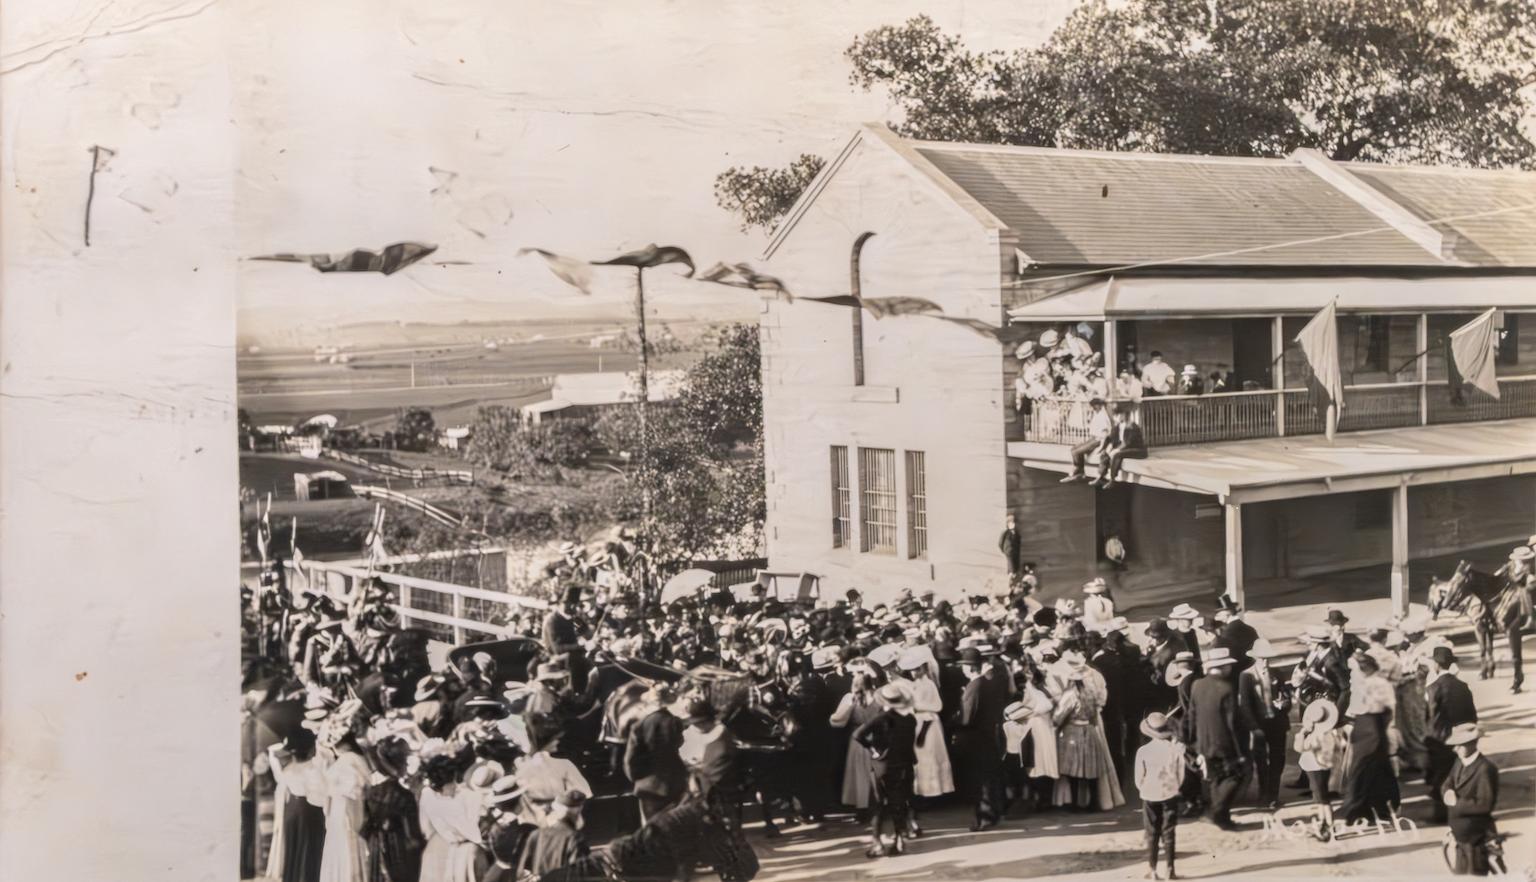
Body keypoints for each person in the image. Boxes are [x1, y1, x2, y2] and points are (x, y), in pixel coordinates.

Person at [853, 682, 919, 858]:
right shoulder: (910, 720)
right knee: (899, 803)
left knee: (879, 805)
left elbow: (858, 735)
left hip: (884, 765)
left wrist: (873, 749)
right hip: (905, 764)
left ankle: (877, 843)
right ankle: (899, 839)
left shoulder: (881, 718)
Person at [1184, 647, 1247, 830]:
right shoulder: (1227, 688)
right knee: (1235, 777)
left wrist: (1192, 740)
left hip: (1203, 742)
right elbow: (1232, 723)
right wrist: (1241, 750)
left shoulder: (1197, 685)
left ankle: (1223, 817)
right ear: (1224, 667)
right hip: (1225, 743)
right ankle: (1218, 812)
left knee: (1215, 778)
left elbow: (1192, 714)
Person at [1338, 651, 1400, 825]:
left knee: (1364, 769)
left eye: (1354, 669)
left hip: (1372, 729)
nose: (1351, 673)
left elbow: (1384, 710)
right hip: (1365, 728)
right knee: (1371, 769)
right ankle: (1373, 808)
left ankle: (1358, 809)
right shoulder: (1363, 683)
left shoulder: (1377, 684)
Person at [953, 646, 1010, 829]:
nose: (962, 668)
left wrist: (952, 721)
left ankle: (983, 818)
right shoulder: (987, 683)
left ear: (970, 668)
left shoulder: (974, 686)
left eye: (963, 665)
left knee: (979, 781)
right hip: (987, 735)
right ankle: (992, 815)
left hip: (975, 738)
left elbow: (967, 718)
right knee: (988, 778)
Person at [1425, 646, 1478, 824]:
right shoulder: (1463, 686)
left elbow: (1430, 715)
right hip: (1463, 735)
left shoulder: (1433, 688)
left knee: (1440, 776)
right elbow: (1472, 714)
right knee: (1460, 773)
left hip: (1440, 738)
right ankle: (1463, 809)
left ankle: (1441, 814)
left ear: (1437, 665)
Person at [1441, 724, 1501, 876]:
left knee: (1476, 874)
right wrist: (1447, 791)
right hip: (1460, 835)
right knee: (1461, 874)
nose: (1455, 749)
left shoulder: (1485, 769)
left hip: (1476, 838)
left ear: (1472, 744)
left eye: (1459, 746)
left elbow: (1484, 804)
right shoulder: (1459, 762)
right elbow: (1448, 782)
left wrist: (1456, 804)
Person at [268, 730, 328, 882]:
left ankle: (292, 877)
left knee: (293, 847)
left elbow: (273, 754)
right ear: (309, 750)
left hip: (291, 810)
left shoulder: (288, 769)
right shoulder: (312, 769)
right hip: (308, 810)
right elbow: (320, 794)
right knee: (308, 847)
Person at [418, 753, 487, 882]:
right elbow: (474, 832)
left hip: (435, 848)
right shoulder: (467, 796)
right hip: (457, 851)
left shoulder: (426, 795)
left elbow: (425, 828)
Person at [1238, 638, 1290, 809]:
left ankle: (1273, 795)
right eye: (1262, 658)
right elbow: (1245, 705)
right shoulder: (1246, 676)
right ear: (1255, 658)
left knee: (1278, 759)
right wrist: (1253, 727)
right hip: (1259, 724)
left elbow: (1287, 697)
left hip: (1277, 723)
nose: (1265, 662)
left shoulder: (1278, 673)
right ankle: (1263, 795)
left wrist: (1284, 704)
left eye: (1267, 658)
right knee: (1261, 760)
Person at [899, 647, 954, 809]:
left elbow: (937, 705)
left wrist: (914, 705)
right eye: (911, 670)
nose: (914, 672)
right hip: (918, 722)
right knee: (920, 757)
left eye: (917, 669)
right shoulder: (914, 684)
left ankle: (934, 793)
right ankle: (924, 792)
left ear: (923, 668)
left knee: (930, 755)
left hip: (929, 722)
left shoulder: (929, 684)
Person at [362, 737, 423, 882]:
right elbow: (413, 837)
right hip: (399, 854)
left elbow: (363, 827)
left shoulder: (370, 792)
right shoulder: (404, 796)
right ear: (402, 762)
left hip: (374, 849)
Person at [624, 684, 688, 823]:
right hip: (674, 781)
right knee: (675, 825)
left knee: (651, 830)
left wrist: (638, 779)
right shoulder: (675, 722)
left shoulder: (638, 726)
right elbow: (682, 746)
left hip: (648, 785)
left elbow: (631, 760)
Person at [1135, 712, 1186, 881]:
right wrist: (1174, 787)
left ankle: (1152, 869)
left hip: (1150, 794)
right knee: (1169, 831)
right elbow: (1181, 774)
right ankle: (1170, 869)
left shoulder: (1143, 751)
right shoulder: (1175, 750)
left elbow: (1138, 778)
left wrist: (1144, 788)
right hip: (1169, 793)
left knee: (1152, 832)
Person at [320, 723, 373, 882]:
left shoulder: (347, 760)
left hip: (344, 811)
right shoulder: (359, 759)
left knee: (344, 845)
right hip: (346, 809)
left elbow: (351, 790)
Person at [831, 672, 884, 815]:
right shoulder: (879, 697)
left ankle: (862, 807)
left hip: (858, 737)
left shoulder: (850, 699)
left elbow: (836, 720)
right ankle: (880, 804)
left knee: (858, 772)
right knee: (877, 771)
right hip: (876, 736)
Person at [1294, 700, 1342, 840]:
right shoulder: (1329, 734)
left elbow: (1299, 748)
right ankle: (1323, 824)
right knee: (1321, 796)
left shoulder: (1314, 737)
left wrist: (1302, 734)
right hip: (1325, 766)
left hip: (1314, 767)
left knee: (1322, 798)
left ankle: (1329, 825)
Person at [1492, 545, 1534, 694]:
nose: (1523, 562)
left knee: (1526, 590)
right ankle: (1517, 678)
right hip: (1514, 598)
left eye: (1526, 560)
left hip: (1526, 599)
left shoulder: (1530, 569)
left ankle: (1531, 618)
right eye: (1521, 560)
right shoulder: (1511, 565)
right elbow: (1498, 576)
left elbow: (1529, 584)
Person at [523, 790, 590, 877]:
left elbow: (525, 870)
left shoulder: (535, 835)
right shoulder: (575, 839)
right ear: (578, 811)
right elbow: (580, 874)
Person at [1061, 398, 1113, 483]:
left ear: (1099, 406)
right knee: (1073, 449)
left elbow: (1104, 434)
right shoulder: (1096, 414)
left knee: (1076, 452)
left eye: (1095, 406)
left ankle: (1078, 471)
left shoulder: (1103, 416)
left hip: (1098, 440)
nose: (1093, 408)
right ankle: (1080, 470)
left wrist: (1101, 446)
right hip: (1093, 438)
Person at [1094, 405, 1147, 488]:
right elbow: (1112, 439)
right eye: (1115, 415)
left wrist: (1116, 450)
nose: (1117, 417)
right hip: (1124, 448)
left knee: (1116, 455)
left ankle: (1112, 480)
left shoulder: (1132, 426)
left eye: (1119, 415)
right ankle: (1101, 477)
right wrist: (1108, 448)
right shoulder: (1118, 426)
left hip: (1137, 450)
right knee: (1105, 454)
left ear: (1125, 415)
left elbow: (1128, 443)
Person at [1213, 596, 1258, 671]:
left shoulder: (1228, 632)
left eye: (1219, 612)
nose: (1216, 616)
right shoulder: (1250, 629)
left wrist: (1214, 640)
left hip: (1237, 671)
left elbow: (1222, 654)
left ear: (1228, 613)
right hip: (1252, 667)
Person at [998, 514, 1024, 581]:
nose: (1013, 524)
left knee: (1015, 567)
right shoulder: (1005, 533)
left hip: (1016, 552)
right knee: (1011, 567)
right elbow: (1000, 543)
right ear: (1008, 524)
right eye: (1011, 523)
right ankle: (1010, 578)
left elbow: (1018, 542)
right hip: (1009, 552)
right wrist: (1005, 550)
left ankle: (1014, 579)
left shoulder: (1016, 533)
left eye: (1013, 523)